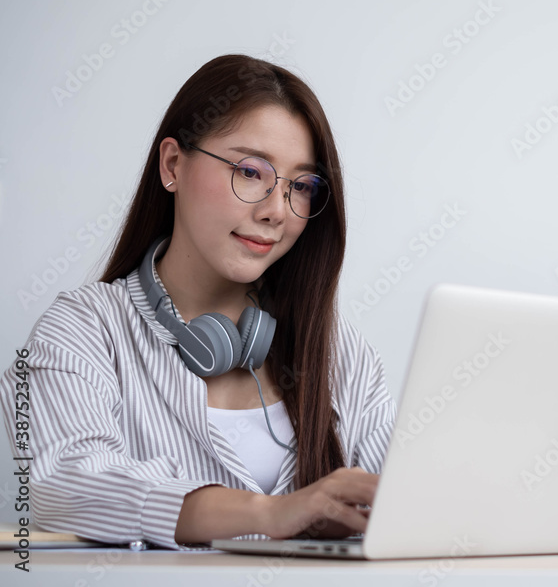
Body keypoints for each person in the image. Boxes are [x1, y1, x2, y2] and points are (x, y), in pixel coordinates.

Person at [0, 54, 397, 550]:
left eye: (299, 186)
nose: (277, 211)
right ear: (173, 165)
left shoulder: (339, 353)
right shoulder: (82, 330)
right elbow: (63, 485)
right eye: (251, 171)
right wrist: (270, 513)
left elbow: (411, 503)